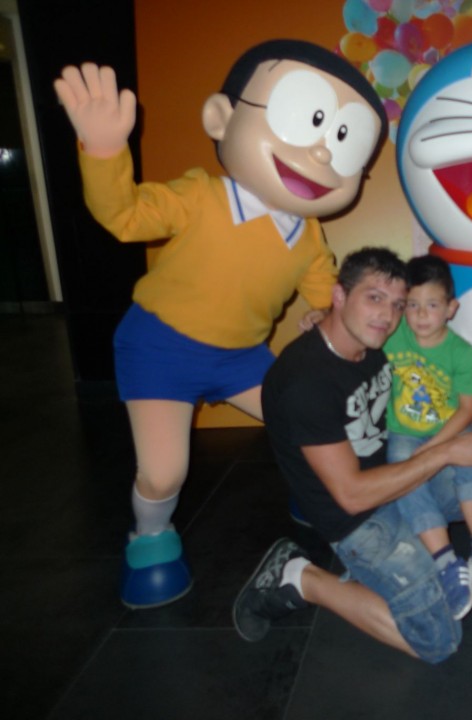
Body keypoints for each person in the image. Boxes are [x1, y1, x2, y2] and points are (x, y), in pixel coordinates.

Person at [53, 39, 388, 608]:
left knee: (312, 425)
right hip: (160, 348)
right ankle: (150, 535)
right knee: (163, 474)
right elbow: (125, 216)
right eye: (305, 121)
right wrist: (105, 151)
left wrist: (339, 316)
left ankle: (315, 494)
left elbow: (329, 296)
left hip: (241, 357)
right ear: (220, 117)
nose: (321, 153)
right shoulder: (200, 196)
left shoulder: (309, 237)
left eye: (343, 141)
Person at [234, 247, 472, 664]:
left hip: (397, 472)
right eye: (374, 298)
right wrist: (446, 452)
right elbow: (352, 495)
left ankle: (410, 540)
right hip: (356, 516)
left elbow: (428, 391)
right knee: (438, 641)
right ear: (339, 296)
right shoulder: (305, 382)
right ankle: (302, 576)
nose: (387, 316)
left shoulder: (379, 342)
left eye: (397, 304)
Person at [385, 255, 472, 620]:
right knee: (404, 474)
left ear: (451, 308)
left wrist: (435, 449)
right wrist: (318, 314)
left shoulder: (463, 354)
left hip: (451, 426)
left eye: (432, 305)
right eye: (412, 305)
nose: (421, 315)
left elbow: (467, 410)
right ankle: (446, 562)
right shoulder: (392, 335)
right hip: (403, 431)